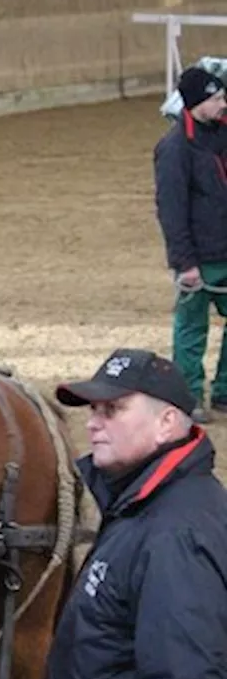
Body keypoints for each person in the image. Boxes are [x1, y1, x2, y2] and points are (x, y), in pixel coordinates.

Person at [35, 347, 227, 679]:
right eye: (92, 410)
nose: (92, 424)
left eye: (113, 410)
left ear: (166, 423)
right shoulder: (136, 506)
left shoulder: (177, 537)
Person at [155, 66, 227, 422]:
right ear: (197, 103)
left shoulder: (224, 134)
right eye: (216, 99)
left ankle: (225, 391)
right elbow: (171, 209)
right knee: (191, 329)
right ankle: (189, 395)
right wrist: (185, 263)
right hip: (200, 255)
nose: (223, 104)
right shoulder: (174, 148)